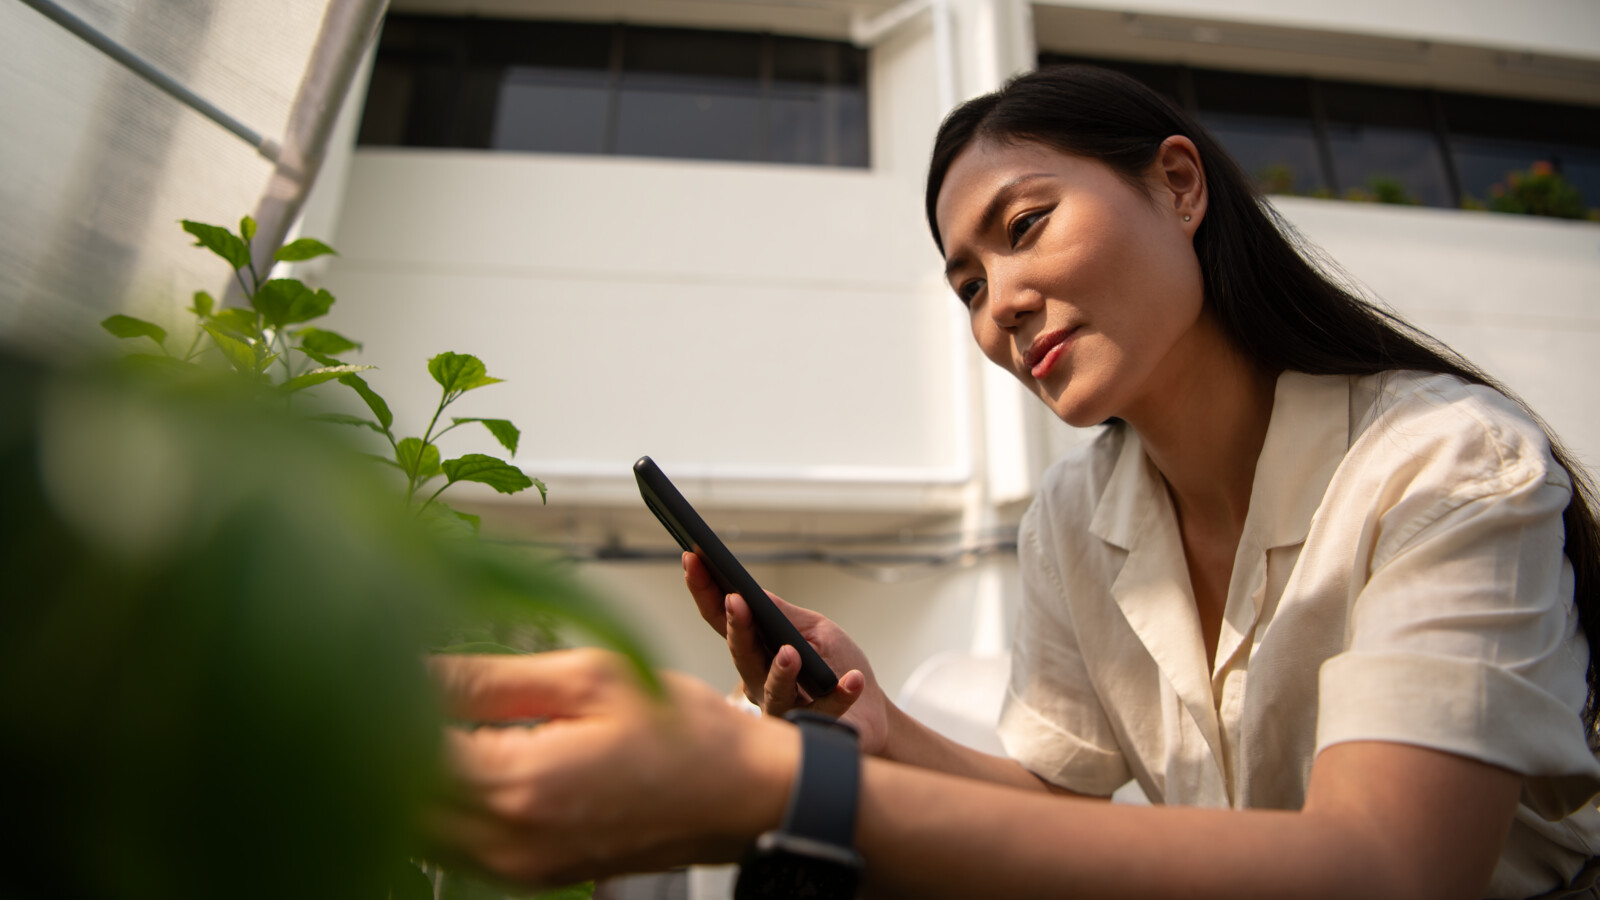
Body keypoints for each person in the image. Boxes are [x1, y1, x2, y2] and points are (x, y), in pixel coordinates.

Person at [427, 65, 1600, 899]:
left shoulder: (1444, 459)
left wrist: (781, 788)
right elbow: (1060, 806)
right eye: (968, 285)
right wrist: (875, 729)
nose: (1001, 306)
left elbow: (1389, 869)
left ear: (1178, 187)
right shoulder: (1073, 520)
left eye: (1026, 225)